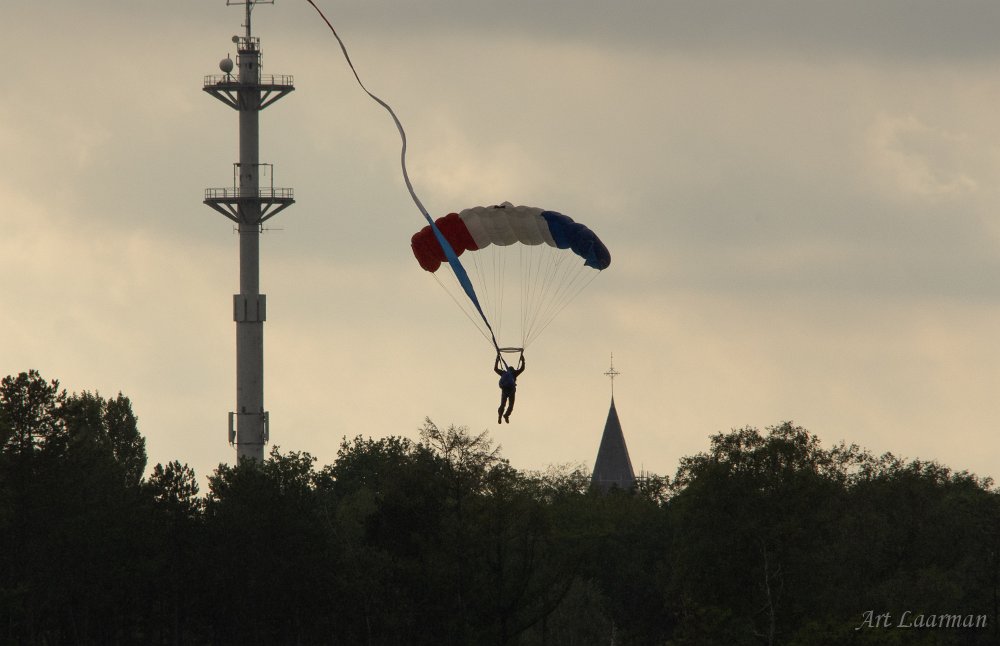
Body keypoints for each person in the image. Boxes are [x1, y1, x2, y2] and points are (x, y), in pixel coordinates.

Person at [494, 352, 526, 423]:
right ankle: (506, 415)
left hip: (504, 390)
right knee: (511, 405)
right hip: (511, 390)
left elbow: (495, 369)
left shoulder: (503, 373)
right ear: (513, 370)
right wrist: (523, 360)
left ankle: (500, 416)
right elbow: (522, 368)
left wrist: (497, 360)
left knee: (503, 404)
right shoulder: (514, 373)